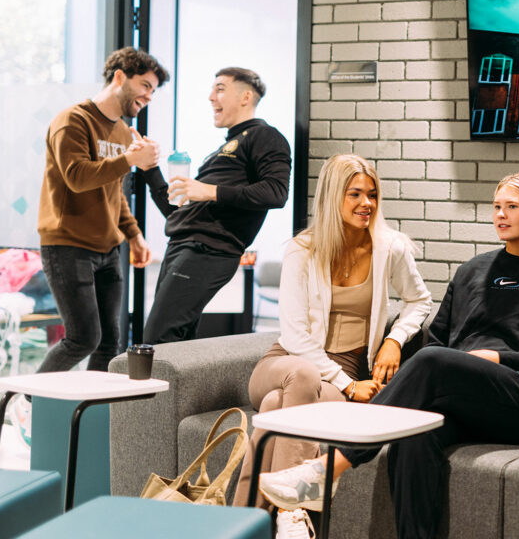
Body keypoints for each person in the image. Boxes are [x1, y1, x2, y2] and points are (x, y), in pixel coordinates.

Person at [261, 172, 519, 539]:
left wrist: (502, 360)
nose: (501, 215)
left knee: (432, 360)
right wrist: (460, 365)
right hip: (466, 400)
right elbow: (438, 339)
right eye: (497, 207)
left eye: (512, 207)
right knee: (412, 432)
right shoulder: (473, 271)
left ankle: (330, 468)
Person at [231, 154, 432, 537]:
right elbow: (293, 336)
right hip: (286, 364)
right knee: (297, 379)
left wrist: (394, 339)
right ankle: (295, 511)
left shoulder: (390, 247)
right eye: (354, 194)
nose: (366, 203)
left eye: (372, 194)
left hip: (337, 377)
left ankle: (241, 521)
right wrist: (348, 384)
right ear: (332, 197)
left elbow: (419, 300)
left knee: (277, 409)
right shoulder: (301, 250)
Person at [36, 46, 168, 376]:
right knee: (83, 339)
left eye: (153, 90)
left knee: (110, 342)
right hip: (68, 245)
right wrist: (131, 160)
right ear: (120, 76)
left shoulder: (124, 133)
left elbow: (115, 193)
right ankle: (26, 402)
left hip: (109, 249)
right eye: (145, 86)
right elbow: (78, 177)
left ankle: (93, 416)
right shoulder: (73, 120)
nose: (149, 96)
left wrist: (135, 235)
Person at [143, 67, 291, 344]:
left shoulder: (265, 137)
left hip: (208, 250)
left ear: (246, 96)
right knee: (177, 340)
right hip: (182, 245)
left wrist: (209, 190)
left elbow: (276, 193)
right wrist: (150, 170)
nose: (211, 97)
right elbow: (180, 215)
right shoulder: (220, 152)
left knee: (158, 337)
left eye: (220, 89)